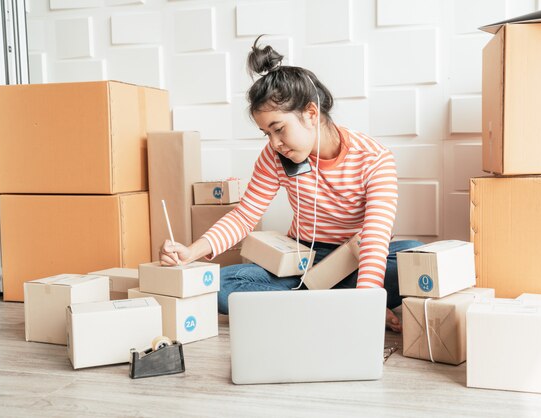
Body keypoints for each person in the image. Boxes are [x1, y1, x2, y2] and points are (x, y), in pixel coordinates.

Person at [160, 36, 423, 332]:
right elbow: (246, 216)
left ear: (311, 113)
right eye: (266, 134)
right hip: (300, 260)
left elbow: (376, 237)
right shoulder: (274, 157)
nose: (274, 143)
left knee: (415, 257)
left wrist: (366, 303)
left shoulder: (374, 158)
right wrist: (191, 252)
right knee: (220, 285)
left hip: (354, 259)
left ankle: (313, 304)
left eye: (279, 129)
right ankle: (331, 303)